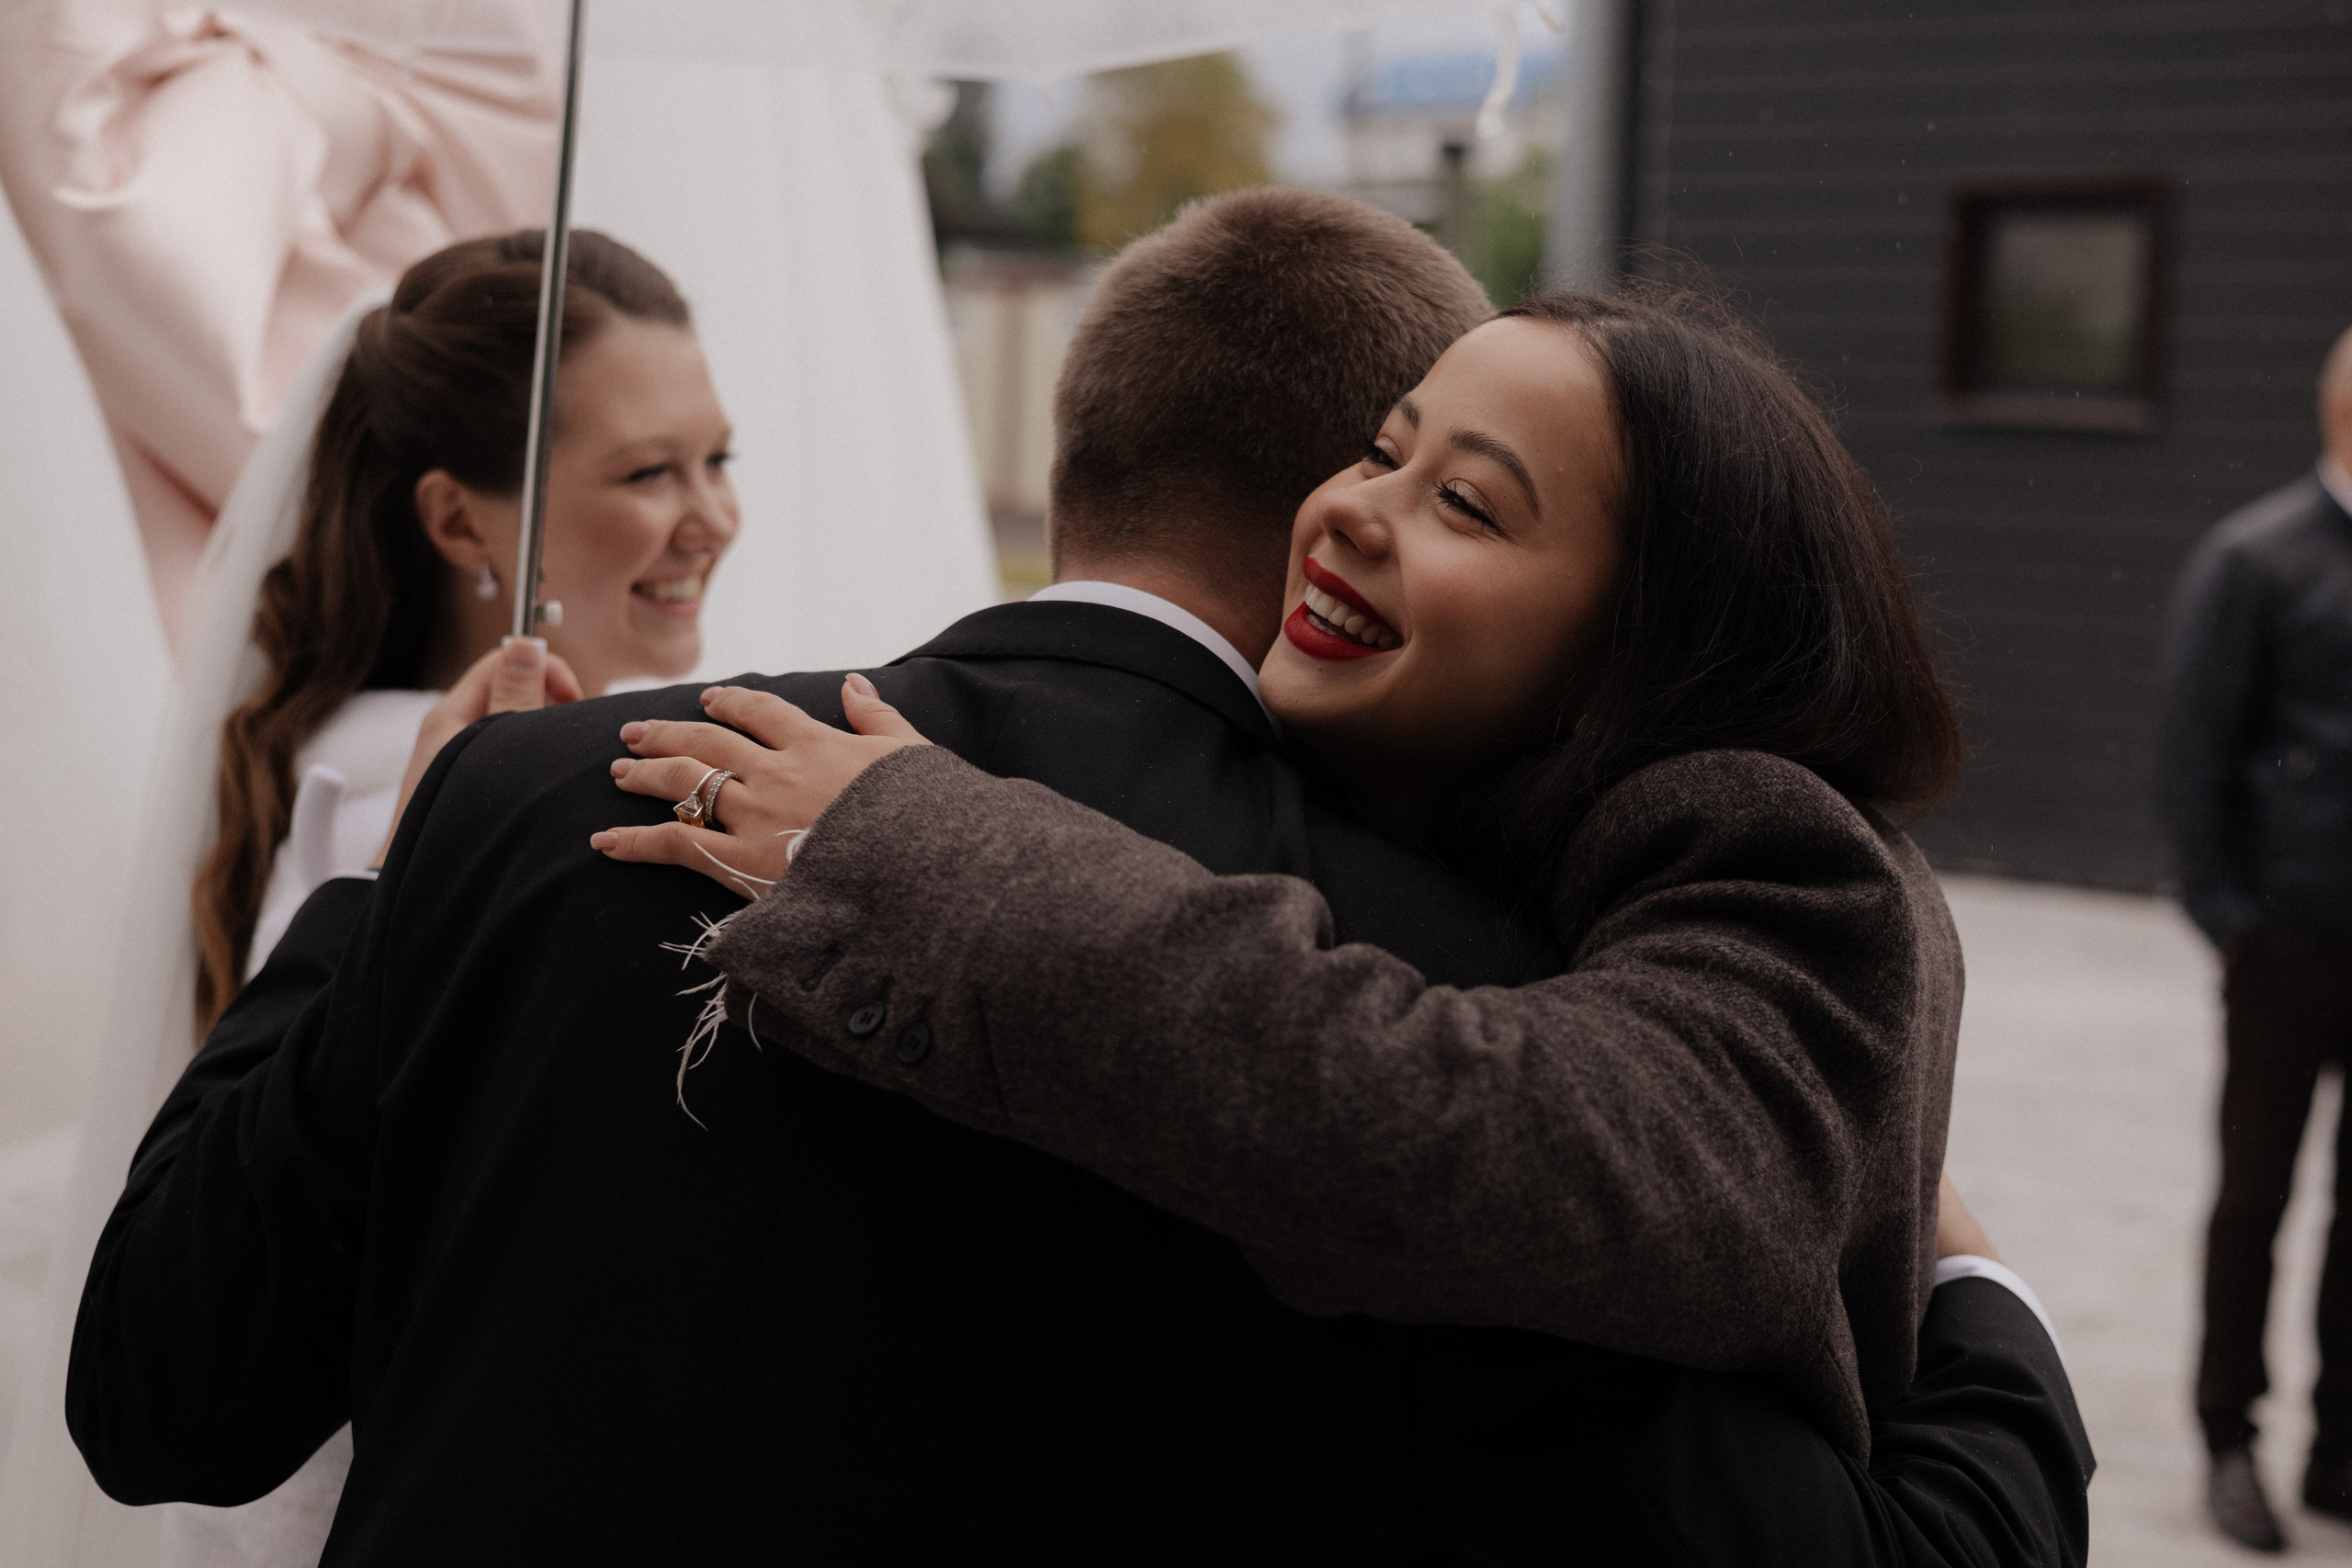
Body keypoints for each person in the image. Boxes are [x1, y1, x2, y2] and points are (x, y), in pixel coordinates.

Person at [72, 192, 2086, 1562]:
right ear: (1305, 468)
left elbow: (156, 1392)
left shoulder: (532, 798)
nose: (1371, 512)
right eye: (1380, 450)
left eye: (1462, 494)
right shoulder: (1471, 970)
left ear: (1080, 440)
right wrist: (1972, 1304)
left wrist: (385, 889)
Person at [159, 225, 737, 1568]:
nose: (710, 515)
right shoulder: (423, 797)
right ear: (458, 519)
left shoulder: (354, 750)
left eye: (719, 458)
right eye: (649, 471)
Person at [2157, 322, 2352, 1553]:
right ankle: (2230, 1440)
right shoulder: (2257, 558)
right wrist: (2233, 923)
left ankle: (2342, 1447)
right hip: (2287, 945)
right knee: (2256, 1199)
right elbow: (2190, 756)